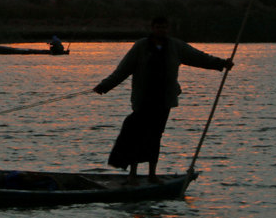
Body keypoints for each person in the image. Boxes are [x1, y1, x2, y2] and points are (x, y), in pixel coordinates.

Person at [92, 16, 233, 184]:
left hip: (163, 101)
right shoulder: (141, 46)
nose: (161, 30)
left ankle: (152, 175)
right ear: (152, 28)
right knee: (136, 135)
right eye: (158, 27)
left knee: (155, 137)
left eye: (164, 27)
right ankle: (132, 175)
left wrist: (221, 63)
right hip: (143, 99)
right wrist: (105, 86)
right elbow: (123, 70)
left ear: (168, 29)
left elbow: (199, 57)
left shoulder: (175, 46)